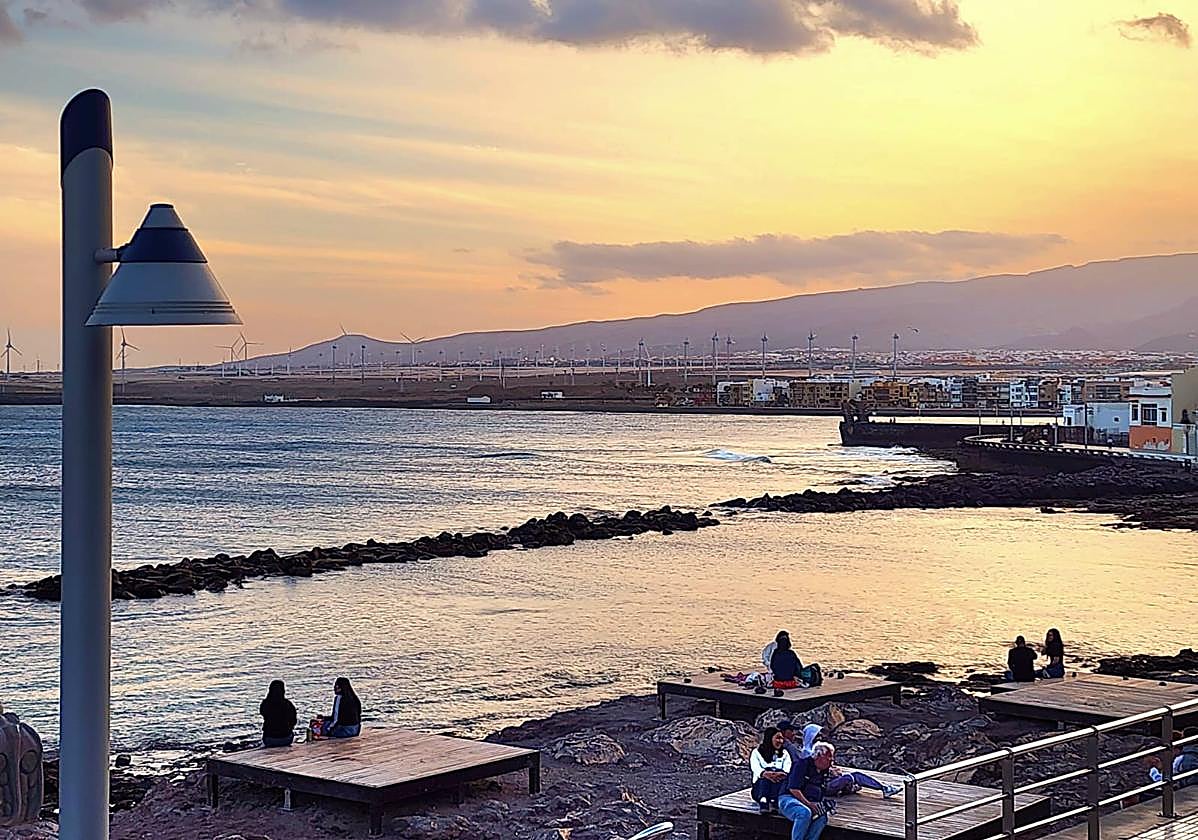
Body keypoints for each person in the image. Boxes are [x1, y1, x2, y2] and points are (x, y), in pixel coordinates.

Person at [802, 724, 901, 798]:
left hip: (830, 779)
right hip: (822, 785)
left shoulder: (820, 748)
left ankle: (884, 788)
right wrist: (831, 771)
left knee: (856, 775)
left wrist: (834, 769)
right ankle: (848, 788)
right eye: (817, 735)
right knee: (848, 778)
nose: (820, 737)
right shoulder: (807, 753)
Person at [778, 741, 836, 840]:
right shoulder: (802, 764)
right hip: (789, 798)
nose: (831, 760)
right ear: (818, 756)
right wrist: (809, 804)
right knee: (804, 813)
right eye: (828, 757)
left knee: (822, 817)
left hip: (809, 801)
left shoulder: (824, 772)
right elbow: (793, 789)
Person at [751, 727, 792, 812]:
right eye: (778, 738)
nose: (780, 741)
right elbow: (756, 768)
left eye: (782, 739)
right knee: (765, 776)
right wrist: (766, 774)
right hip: (759, 788)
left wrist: (776, 774)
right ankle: (764, 799)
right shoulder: (756, 752)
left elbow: (787, 768)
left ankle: (773, 800)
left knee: (777, 775)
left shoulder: (784, 753)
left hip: (778, 785)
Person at [260, 679, 298, 747]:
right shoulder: (288, 704)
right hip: (286, 739)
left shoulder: (265, 703)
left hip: (269, 739)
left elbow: (263, 713)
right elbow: (294, 721)